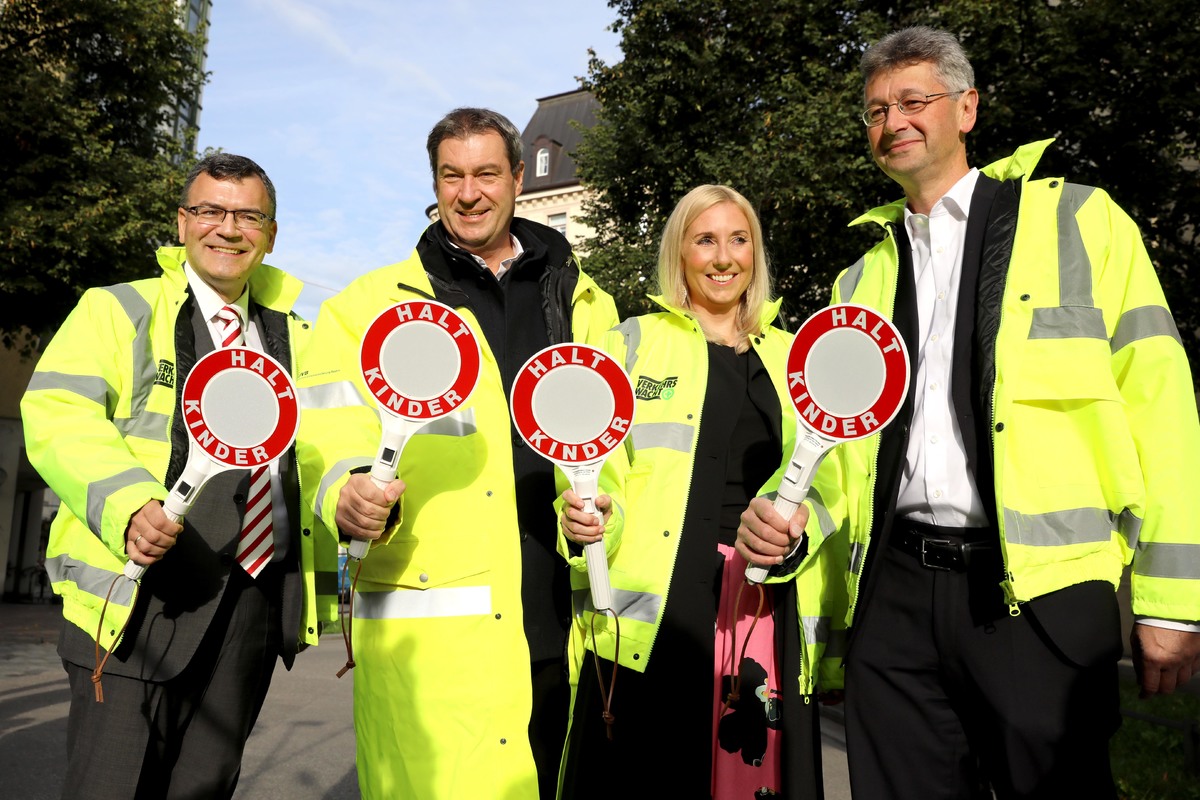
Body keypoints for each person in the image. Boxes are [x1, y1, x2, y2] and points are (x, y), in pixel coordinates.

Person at [737, 25, 1200, 800]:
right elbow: (845, 463)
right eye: (876, 111)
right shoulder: (859, 277)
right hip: (896, 599)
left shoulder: (1083, 223)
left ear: (968, 108)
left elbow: (1165, 412)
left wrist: (1174, 603)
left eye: (914, 100)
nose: (894, 123)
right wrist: (792, 523)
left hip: (1039, 602)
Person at [298, 107, 619, 799]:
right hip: (434, 633)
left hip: (558, 618)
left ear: (514, 180)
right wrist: (346, 489)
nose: (468, 192)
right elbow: (326, 432)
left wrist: (603, 506)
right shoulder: (365, 304)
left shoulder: (585, 300)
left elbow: (610, 437)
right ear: (435, 183)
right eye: (451, 175)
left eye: (485, 173)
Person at [21, 153, 337, 799]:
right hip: (137, 598)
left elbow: (333, 445)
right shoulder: (115, 310)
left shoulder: (304, 338)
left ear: (270, 234)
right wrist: (130, 504)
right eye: (210, 211)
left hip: (251, 604)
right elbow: (59, 417)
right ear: (182, 222)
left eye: (248, 215)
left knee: (205, 786)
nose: (228, 228)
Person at [557, 185, 845, 799]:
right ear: (679, 253)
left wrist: (798, 533)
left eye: (738, 239)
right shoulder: (629, 342)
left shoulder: (797, 356)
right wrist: (592, 515)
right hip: (654, 615)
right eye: (705, 239)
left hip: (763, 608)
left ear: (756, 253)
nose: (723, 257)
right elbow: (597, 462)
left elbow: (832, 485)